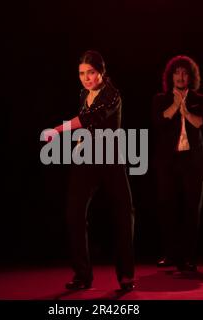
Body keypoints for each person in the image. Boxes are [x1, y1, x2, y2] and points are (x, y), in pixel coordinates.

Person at [43, 50, 135, 291]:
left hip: (111, 159)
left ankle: (126, 275)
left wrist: (58, 129)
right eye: (82, 74)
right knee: (74, 214)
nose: (86, 78)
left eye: (91, 73)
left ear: (101, 72)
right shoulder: (84, 93)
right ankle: (83, 275)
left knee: (124, 214)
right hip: (86, 159)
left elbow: (90, 119)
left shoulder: (113, 95)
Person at [151, 55, 203, 271]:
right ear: (171, 76)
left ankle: (189, 257)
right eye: (176, 72)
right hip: (168, 162)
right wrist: (176, 106)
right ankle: (170, 254)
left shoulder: (200, 99)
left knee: (192, 209)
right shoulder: (161, 98)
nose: (181, 76)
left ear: (191, 77)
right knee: (168, 206)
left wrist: (186, 110)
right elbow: (157, 122)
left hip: (192, 161)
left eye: (185, 73)